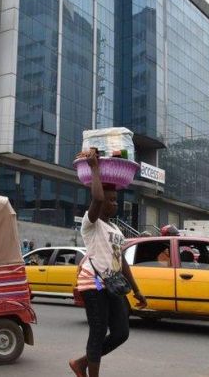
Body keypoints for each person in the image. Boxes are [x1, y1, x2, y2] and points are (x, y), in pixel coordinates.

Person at [68, 148, 146, 377]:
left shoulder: (115, 230)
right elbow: (98, 198)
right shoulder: (91, 224)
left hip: (113, 283)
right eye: (111, 201)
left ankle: (81, 363)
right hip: (94, 283)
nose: (115, 204)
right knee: (98, 331)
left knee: (121, 333)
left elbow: (121, 262)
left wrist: (137, 291)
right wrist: (94, 168)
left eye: (115, 200)